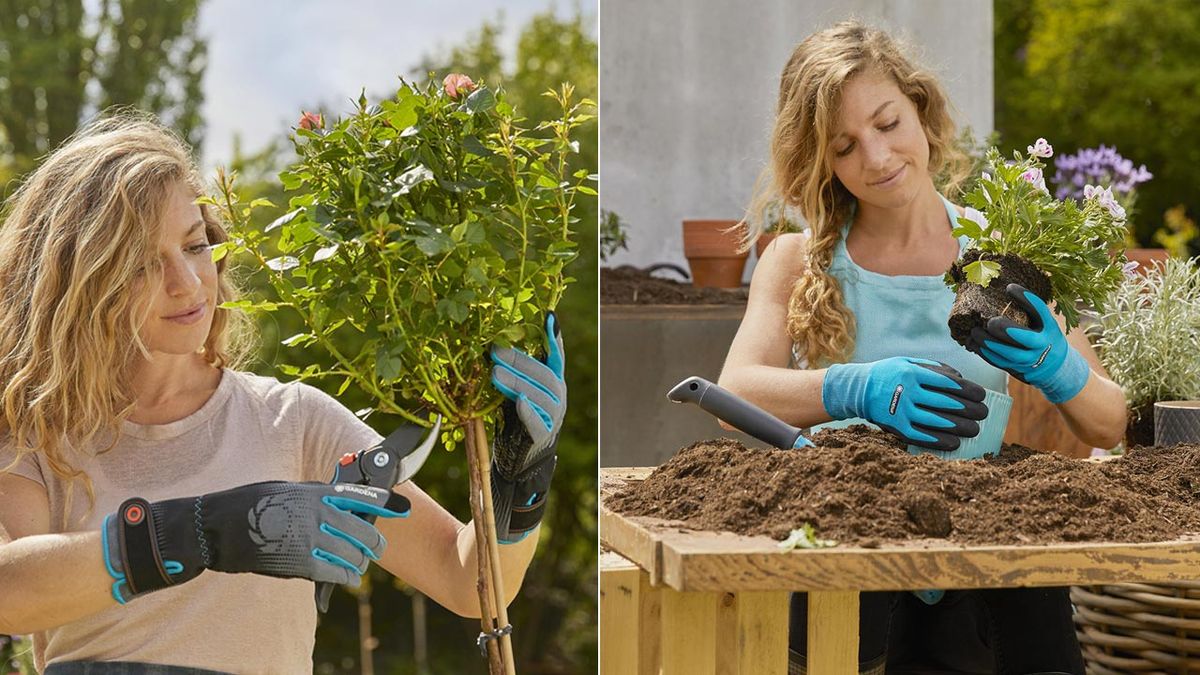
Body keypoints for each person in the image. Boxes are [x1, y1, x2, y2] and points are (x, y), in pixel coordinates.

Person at [0, 111, 568, 674]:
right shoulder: (40, 435)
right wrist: (201, 531)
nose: (188, 282)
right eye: (146, 264)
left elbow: (465, 580)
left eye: (195, 246)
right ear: (83, 281)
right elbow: (10, 594)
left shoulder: (291, 422)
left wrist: (520, 481)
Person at [717, 20, 1126, 675]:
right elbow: (733, 388)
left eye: (887, 124)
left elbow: (1109, 419)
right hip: (847, 561)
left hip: (987, 563)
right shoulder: (798, 261)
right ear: (821, 161)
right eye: (845, 147)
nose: (875, 158)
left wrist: (1056, 364)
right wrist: (854, 387)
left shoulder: (1003, 253)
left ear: (921, 108)